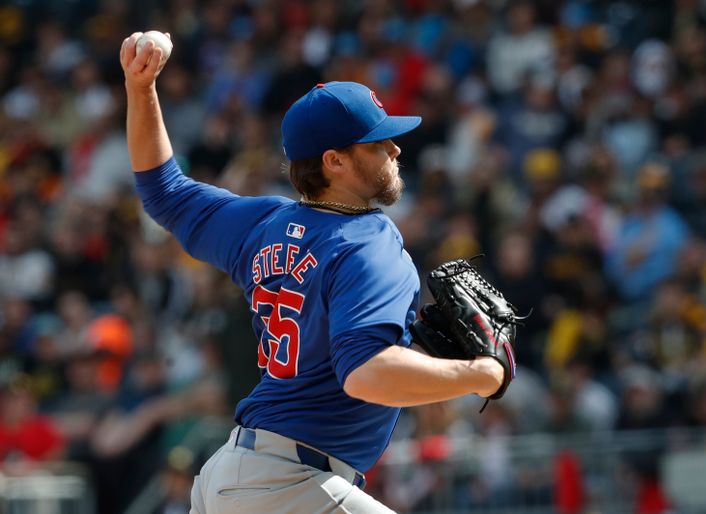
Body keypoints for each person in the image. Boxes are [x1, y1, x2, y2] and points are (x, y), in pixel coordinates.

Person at [120, 32, 505, 514]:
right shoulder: (367, 242)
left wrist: (140, 89)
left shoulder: (262, 223)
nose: (395, 150)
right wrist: (479, 375)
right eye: (377, 141)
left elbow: (163, 191)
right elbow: (365, 375)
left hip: (241, 476)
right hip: (289, 483)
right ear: (335, 160)